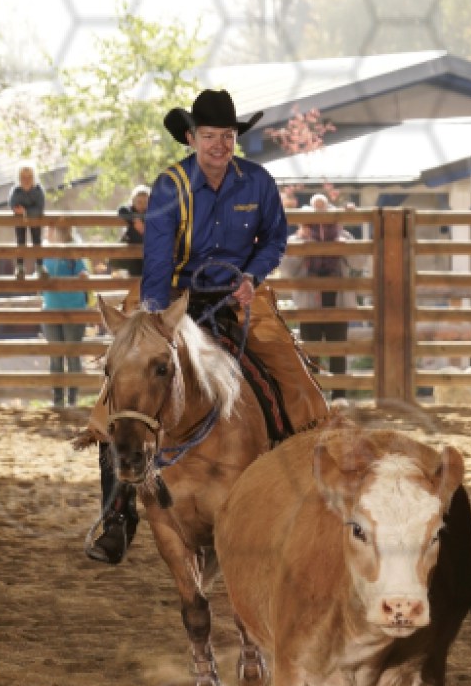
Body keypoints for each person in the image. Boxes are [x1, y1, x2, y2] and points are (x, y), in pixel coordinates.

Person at [85, 89, 329, 564]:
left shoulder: (257, 182)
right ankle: (118, 516)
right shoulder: (169, 187)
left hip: (239, 298)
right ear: (191, 138)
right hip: (169, 299)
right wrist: (159, 323)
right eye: (210, 136)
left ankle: (301, 486)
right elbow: (157, 260)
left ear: (235, 138)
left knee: (298, 385)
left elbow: (274, 238)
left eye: (227, 136)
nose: (219, 144)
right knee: (120, 395)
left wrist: (251, 277)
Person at [297, 194, 349, 397]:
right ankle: (314, 398)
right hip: (310, 300)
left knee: (338, 349)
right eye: (315, 210)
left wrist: (342, 243)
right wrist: (303, 242)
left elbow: (360, 261)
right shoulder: (299, 238)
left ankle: (339, 397)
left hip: (336, 297)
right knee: (311, 350)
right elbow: (288, 268)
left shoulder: (342, 236)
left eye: (323, 210)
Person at [40, 223, 89, 409]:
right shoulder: (44, 253)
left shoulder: (73, 251)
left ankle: (72, 400)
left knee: (72, 355)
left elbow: (83, 272)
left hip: (74, 309)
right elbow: (38, 275)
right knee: (56, 356)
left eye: (50, 228)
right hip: (51, 309)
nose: (46, 231)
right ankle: (58, 399)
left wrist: (83, 275)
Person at [9, 165, 45, 277]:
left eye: (29, 177)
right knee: (20, 241)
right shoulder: (16, 191)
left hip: (35, 220)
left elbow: (39, 208)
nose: (26, 180)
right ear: (19, 179)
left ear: (33, 178)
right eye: (23, 177)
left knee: (37, 241)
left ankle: (39, 266)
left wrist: (25, 211)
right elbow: (13, 204)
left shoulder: (38, 190)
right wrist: (18, 210)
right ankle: (20, 267)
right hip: (20, 221)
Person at [110, 185, 149, 280]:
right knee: (135, 276)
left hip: (147, 251)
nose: (142, 205)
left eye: (145, 202)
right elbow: (121, 209)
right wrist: (134, 220)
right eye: (139, 202)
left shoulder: (152, 212)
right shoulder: (131, 211)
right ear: (133, 202)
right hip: (132, 252)